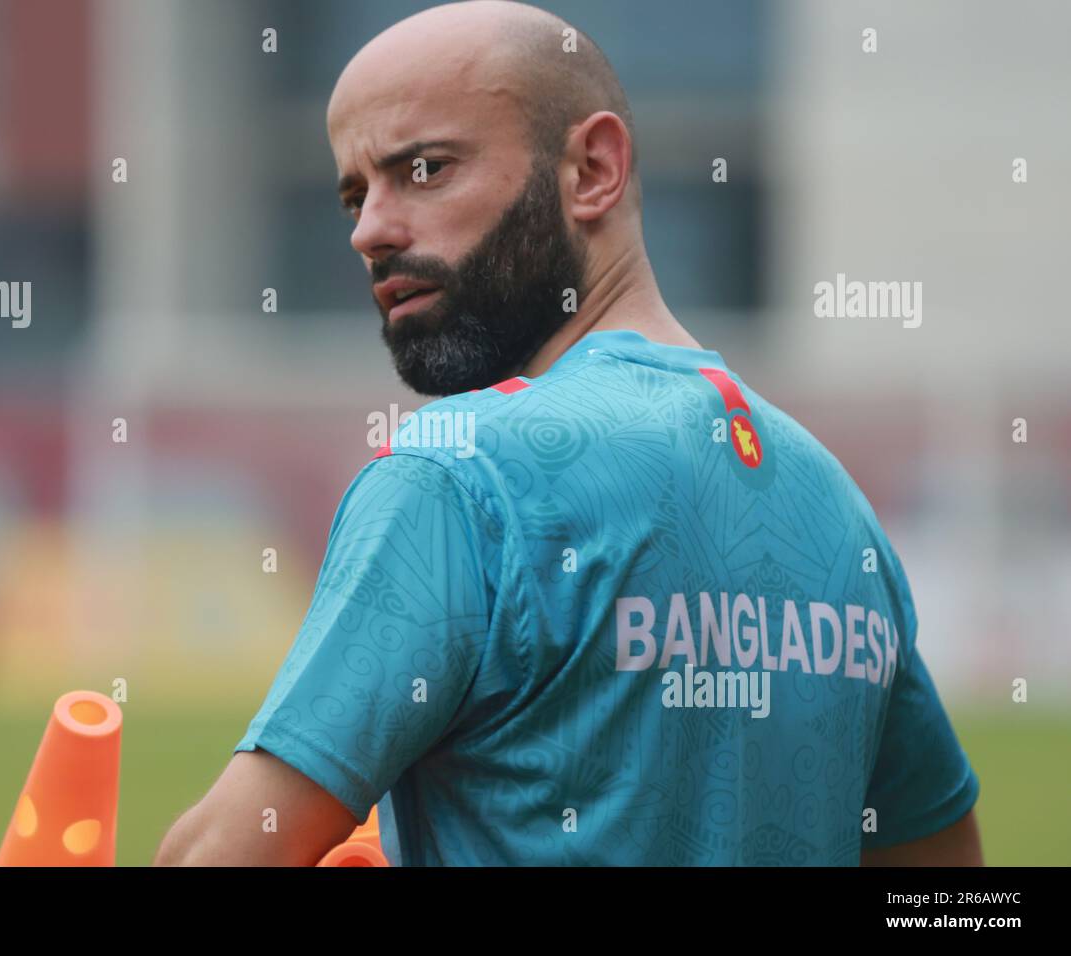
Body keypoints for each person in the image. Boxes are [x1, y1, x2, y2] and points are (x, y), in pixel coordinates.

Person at [155, 0, 981, 866]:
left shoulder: (458, 475)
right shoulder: (835, 508)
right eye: (356, 194)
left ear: (592, 168)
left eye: (425, 169)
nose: (369, 231)